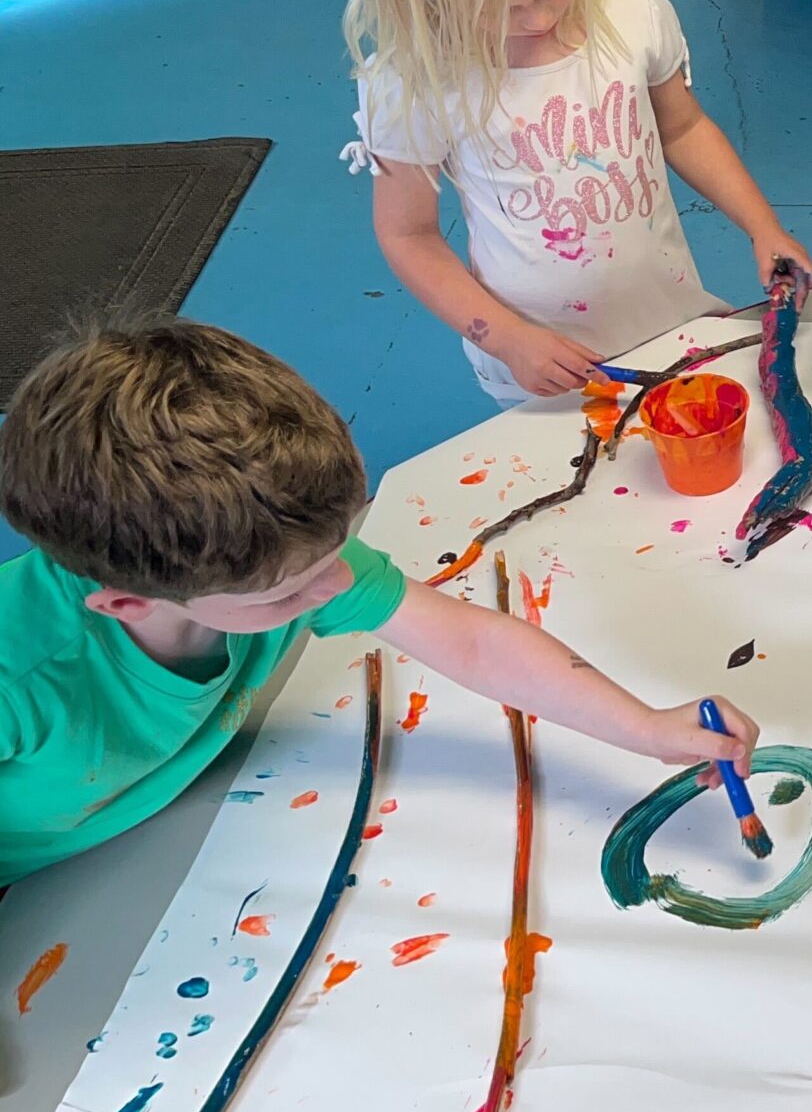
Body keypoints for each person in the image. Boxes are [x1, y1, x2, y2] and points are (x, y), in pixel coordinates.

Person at [0, 320, 757, 887]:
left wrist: (645, 728)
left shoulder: (272, 553)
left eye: (334, 559)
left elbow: (472, 643)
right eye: (290, 594)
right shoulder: (22, 678)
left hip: (171, 817)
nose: (331, 590)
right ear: (129, 605)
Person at [344, 0, 812, 403]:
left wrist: (761, 226)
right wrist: (508, 339)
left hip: (673, 327)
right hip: (541, 364)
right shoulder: (415, 80)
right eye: (501, 10)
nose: (538, 17)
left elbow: (684, 129)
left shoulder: (632, 8)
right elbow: (408, 236)